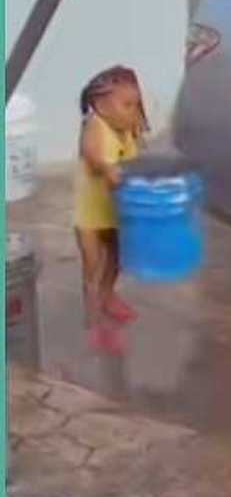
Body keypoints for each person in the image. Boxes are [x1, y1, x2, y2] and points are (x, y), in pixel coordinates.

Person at [73, 66, 150, 352]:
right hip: (91, 217)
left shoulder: (128, 128)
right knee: (92, 269)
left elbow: (138, 156)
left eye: (137, 104)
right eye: (127, 105)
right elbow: (92, 155)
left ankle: (108, 296)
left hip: (115, 213)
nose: (133, 111)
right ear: (101, 106)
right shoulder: (96, 126)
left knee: (117, 260)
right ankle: (93, 322)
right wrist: (107, 168)